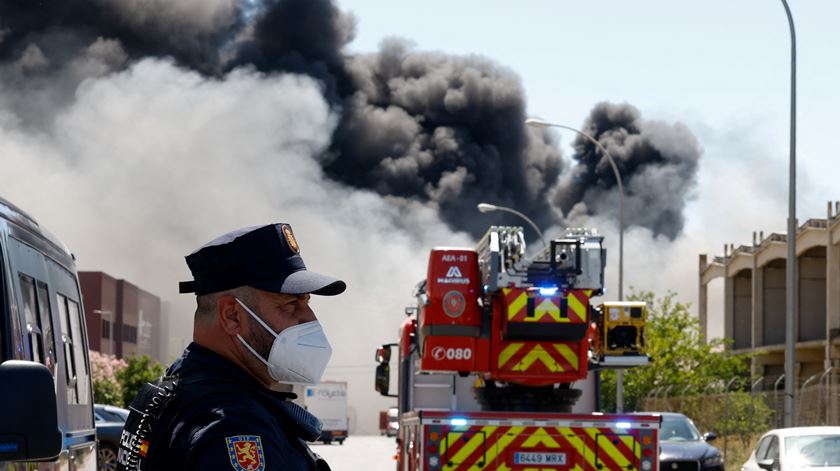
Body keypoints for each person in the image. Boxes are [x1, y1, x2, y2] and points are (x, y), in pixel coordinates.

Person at [116, 223, 345, 471]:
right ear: (232, 316)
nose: (309, 318)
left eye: (306, 302)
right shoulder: (233, 425)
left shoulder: (183, 388)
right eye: (290, 304)